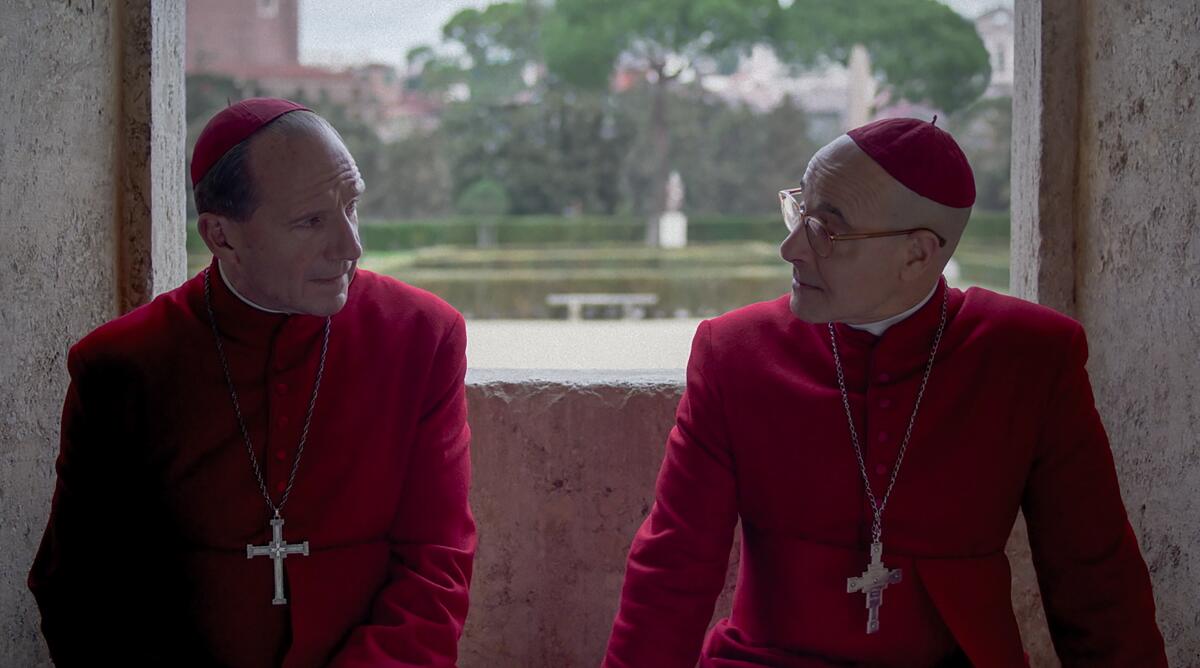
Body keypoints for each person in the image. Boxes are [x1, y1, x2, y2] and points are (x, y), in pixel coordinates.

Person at [603, 117, 1166, 667]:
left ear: (918, 254)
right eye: (799, 210)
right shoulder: (736, 352)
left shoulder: (1030, 357)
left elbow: (1095, 580)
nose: (791, 248)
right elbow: (674, 566)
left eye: (827, 228)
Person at [29, 98, 475, 667]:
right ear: (222, 236)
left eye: (351, 207)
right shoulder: (123, 367)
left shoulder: (420, 336)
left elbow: (437, 564)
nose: (350, 247)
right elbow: (84, 591)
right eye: (311, 220)